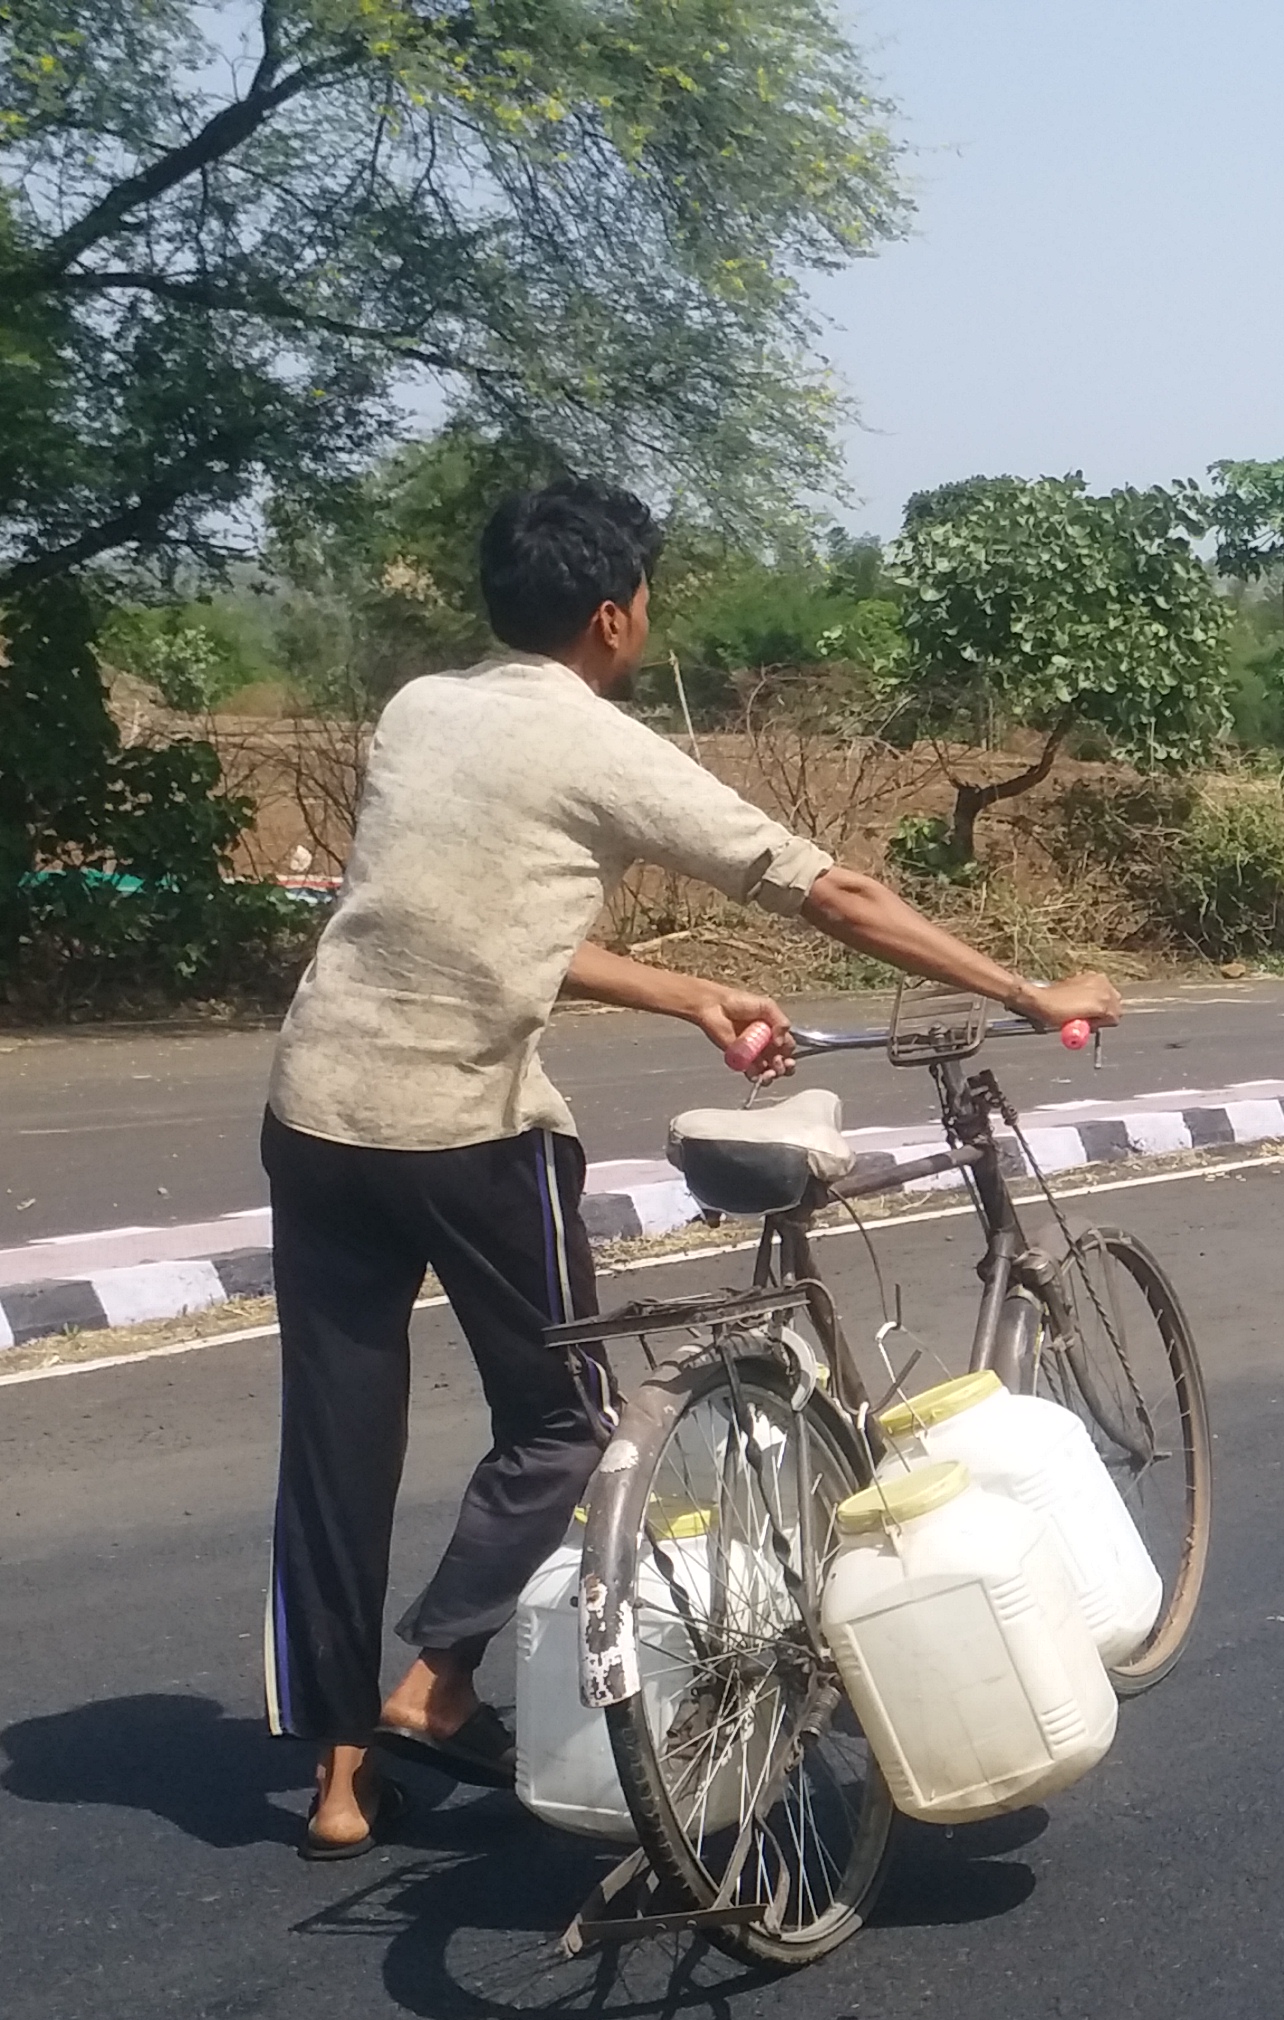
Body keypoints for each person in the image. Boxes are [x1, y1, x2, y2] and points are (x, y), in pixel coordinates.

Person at [269, 481, 1126, 1860]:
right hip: (470, 1128)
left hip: (314, 1111)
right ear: (614, 616)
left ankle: (337, 1781)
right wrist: (1028, 991)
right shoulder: (596, 743)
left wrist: (687, 996)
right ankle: (435, 1682)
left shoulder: (420, 710)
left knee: (332, 1447)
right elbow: (834, 892)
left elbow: (474, 926)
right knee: (564, 1422)